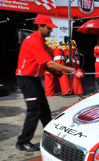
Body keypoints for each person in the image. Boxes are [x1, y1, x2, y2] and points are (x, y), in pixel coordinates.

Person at [15, 15, 84, 152]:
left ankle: (51, 137)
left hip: (34, 78)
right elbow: (49, 63)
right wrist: (73, 70)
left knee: (45, 110)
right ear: (40, 26)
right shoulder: (34, 41)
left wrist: (54, 72)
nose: (51, 31)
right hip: (27, 79)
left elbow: (42, 63)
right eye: (49, 28)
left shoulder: (40, 40)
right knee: (34, 111)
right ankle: (23, 142)